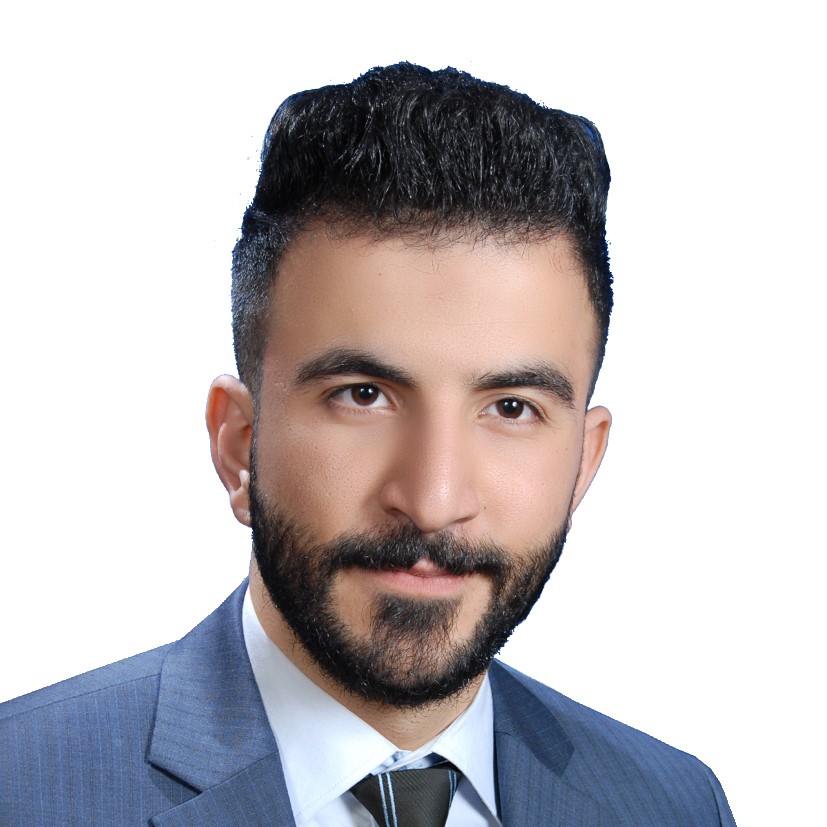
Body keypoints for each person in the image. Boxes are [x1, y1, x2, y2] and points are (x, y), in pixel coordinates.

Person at [0, 63, 735, 826]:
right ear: (239, 443)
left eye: (511, 407)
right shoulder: (17, 787)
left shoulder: (673, 803)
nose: (433, 500)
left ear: (581, 462)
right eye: (362, 395)